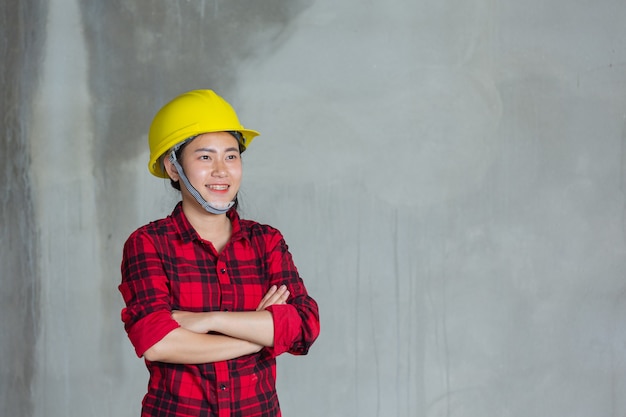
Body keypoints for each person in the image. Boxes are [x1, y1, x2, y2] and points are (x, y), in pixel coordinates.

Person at [119, 89, 320, 417]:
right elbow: (158, 344)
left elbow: (303, 327)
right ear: (173, 167)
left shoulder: (266, 242)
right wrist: (259, 337)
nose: (221, 170)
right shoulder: (148, 243)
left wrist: (209, 321)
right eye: (204, 157)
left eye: (231, 156)